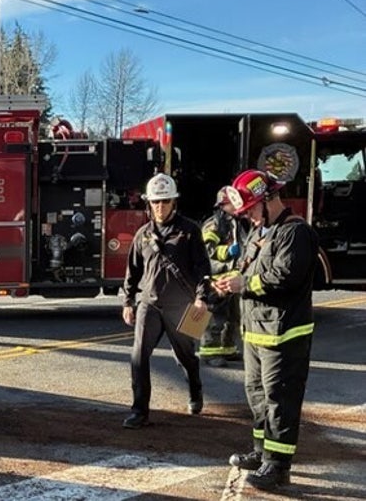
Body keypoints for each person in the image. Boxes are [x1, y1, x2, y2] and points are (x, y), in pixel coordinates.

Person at [212, 169, 318, 491]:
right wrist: (228, 281)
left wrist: (245, 284)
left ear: (268, 199)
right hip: (257, 333)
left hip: (283, 334)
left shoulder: (294, 232)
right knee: (257, 396)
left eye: (251, 211)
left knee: (279, 400)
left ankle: (278, 466)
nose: (250, 219)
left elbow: (284, 277)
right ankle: (261, 453)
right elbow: (246, 268)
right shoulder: (260, 233)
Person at [120, 173, 211, 429]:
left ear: (174, 203)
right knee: (138, 356)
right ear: (149, 204)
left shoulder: (190, 231)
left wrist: (202, 298)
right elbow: (132, 271)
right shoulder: (142, 235)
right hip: (150, 304)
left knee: (186, 357)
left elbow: (203, 267)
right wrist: (128, 301)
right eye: (156, 202)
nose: (160, 207)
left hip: (183, 306)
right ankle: (139, 411)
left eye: (165, 201)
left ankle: (195, 391)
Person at [198, 186, 247, 367]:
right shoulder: (214, 224)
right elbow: (207, 250)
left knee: (232, 315)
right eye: (231, 203)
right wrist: (227, 251)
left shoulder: (236, 222)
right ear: (222, 205)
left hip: (232, 277)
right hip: (217, 276)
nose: (236, 206)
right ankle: (209, 352)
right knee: (214, 316)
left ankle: (228, 348)